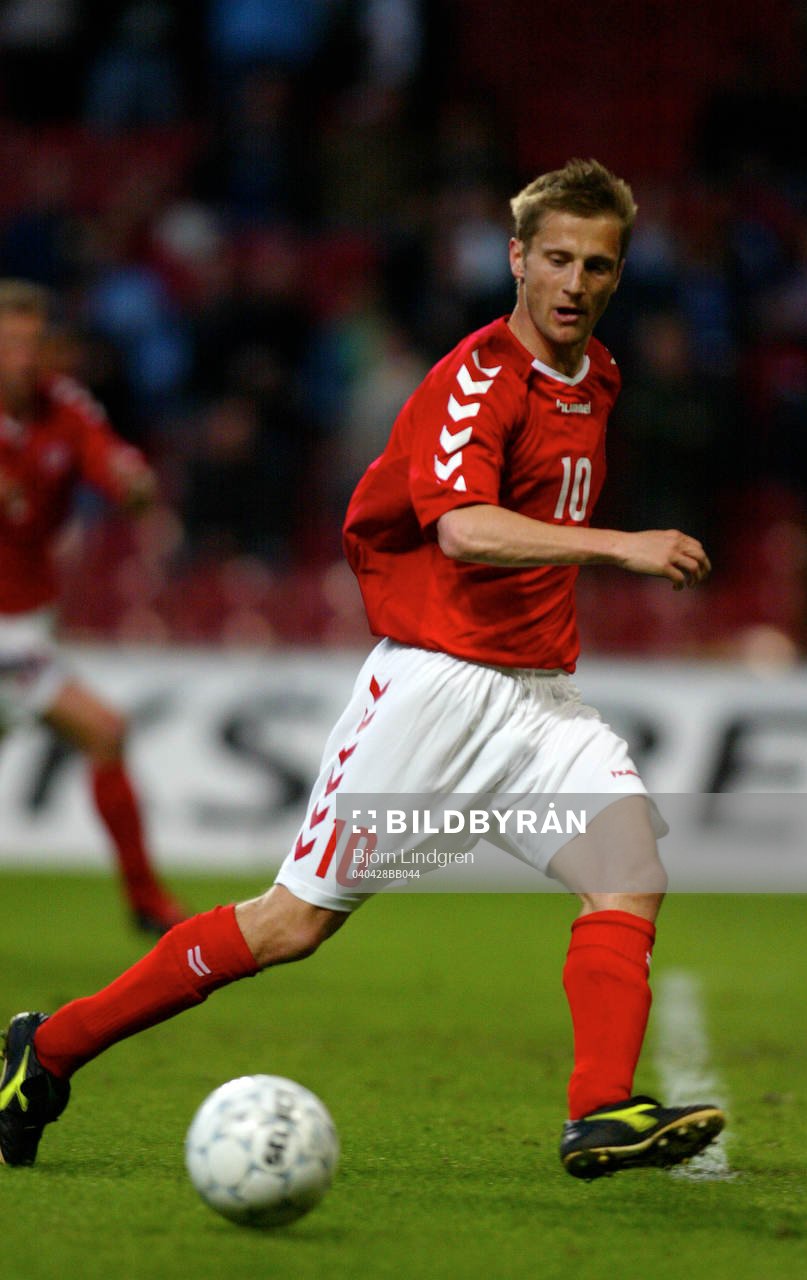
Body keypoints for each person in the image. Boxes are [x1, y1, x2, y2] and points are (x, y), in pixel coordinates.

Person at [0, 162, 725, 1178]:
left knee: (629, 872)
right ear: (516, 258)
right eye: (556, 258)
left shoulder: (597, 374)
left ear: (618, 273)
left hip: (538, 699)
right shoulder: (478, 379)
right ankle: (51, 1048)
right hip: (434, 691)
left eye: (597, 265)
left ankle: (600, 1110)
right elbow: (465, 530)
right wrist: (622, 546)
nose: (574, 282)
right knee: (289, 924)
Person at [0, 280, 185, 938]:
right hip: (6, 635)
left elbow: (112, 464)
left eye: (33, 342)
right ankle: (147, 900)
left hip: (29, 621)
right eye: (10, 343)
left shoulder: (64, 405)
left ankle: (145, 899)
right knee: (104, 730)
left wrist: (133, 485)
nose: (24, 357)